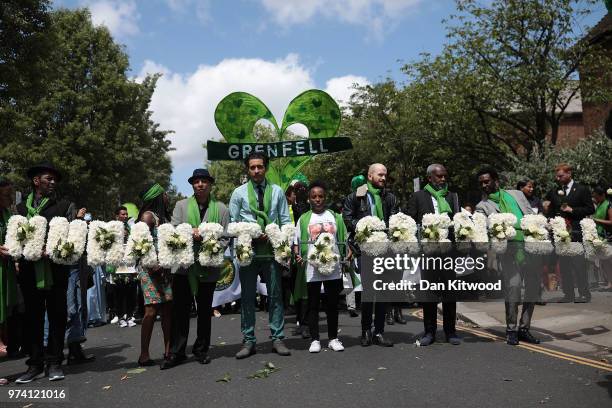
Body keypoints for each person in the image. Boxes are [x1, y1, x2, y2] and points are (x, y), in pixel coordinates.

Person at [161, 169, 229, 369]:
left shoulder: (222, 209)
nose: (200, 184)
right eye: (197, 181)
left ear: (210, 184)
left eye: (204, 181)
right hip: (184, 266)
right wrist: (190, 233)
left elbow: (225, 238)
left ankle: (201, 349)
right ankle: (176, 352)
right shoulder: (181, 205)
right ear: (192, 185)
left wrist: (212, 246)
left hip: (209, 267)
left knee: (205, 310)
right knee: (180, 311)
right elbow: (173, 230)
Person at [15, 163, 77, 383]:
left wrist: (54, 250)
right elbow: (15, 239)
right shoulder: (20, 209)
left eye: (54, 180)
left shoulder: (64, 206)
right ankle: (34, 364)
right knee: (32, 318)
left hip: (56, 270)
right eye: (48, 179)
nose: (53, 183)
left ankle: (54, 362)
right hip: (29, 272)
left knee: (57, 316)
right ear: (36, 181)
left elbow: (72, 238)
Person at [229, 152, 292, 359]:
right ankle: (248, 341)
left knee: (275, 296)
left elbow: (284, 221)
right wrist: (249, 233)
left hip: (271, 251)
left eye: (260, 167)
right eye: (252, 167)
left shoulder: (277, 192)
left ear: (266, 168)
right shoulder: (238, 193)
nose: (256, 170)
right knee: (247, 297)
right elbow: (232, 223)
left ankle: (278, 338)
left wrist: (283, 247)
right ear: (247, 169)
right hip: (248, 251)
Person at [476, 167, 542, 346]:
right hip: (508, 252)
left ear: (496, 180)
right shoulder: (482, 207)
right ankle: (511, 329)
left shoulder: (516, 194)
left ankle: (524, 328)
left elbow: (530, 214)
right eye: (481, 182)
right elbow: (485, 230)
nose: (484, 185)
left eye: (486, 181)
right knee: (513, 288)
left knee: (532, 289)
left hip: (530, 248)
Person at [343, 163, 398, 347]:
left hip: (386, 250)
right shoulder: (355, 197)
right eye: (380, 175)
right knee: (368, 292)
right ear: (369, 176)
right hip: (365, 250)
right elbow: (348, 219)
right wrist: (368, 227)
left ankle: (379, 332)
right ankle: (366, 330)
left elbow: (395, 219)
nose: (383, 178)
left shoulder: (390, 197)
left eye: (385, 175)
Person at [293, 180, 351, 353]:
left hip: (333, 268)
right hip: (312, 268)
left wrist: (347, 251)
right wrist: (297, 253)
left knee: (332, 304)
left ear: (325, 198)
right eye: (314, 196)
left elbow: (343, 238)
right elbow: (297, 241)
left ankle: (333, 338)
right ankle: (315, 340)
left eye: (321, 196)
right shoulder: (304, 219)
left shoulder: (335, 217)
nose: (317, 199)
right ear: (309, 199)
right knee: (312, 304)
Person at [407, 164, 461, 346]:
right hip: (428, 253)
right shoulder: (418, 197)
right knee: (429, 294)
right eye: (439, 177)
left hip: (448, 253)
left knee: (449, 293)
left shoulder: (452, 196)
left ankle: (450, 332)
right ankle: (429, 332)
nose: (443, 180)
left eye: (445, 176)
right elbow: (410, 221)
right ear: (429, 178)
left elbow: (458, 221)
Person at [544, 164, 594, 303]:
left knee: (578, 264)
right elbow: (551, 210)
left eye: (561, 176)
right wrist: (549, 218)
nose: (558, 178)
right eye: (557, 176)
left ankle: (584, 293)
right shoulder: (554, 191)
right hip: (560, 233)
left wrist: (573, 211)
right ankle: (568, 294)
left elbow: (590, 209)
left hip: (576, 231)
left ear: (569, 174)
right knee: (564, 265)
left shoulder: (582, 189)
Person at [136, 210, 172, 366]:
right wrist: (152, 265)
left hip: (165, 269)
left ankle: (168, 351)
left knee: (167, 310)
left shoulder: (165, 217)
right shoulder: (147, 214)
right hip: (149, 271)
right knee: (150, 311)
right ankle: (144, 354)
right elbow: (140, 245)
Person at [0, 177, 17, 384]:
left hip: (5, 271)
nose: (10, 198)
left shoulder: (6, 214)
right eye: (6, 195)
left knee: (3, 317)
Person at [592, 186, 612, 290]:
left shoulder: (608, 204)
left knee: (609, 259)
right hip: (600, 236)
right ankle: (610, 282)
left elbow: (611, 221)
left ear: (603, 195)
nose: (596, 199)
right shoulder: (599, 204)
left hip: (608, 236)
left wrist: (597, 220)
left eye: (597, 197)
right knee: (605, 261)